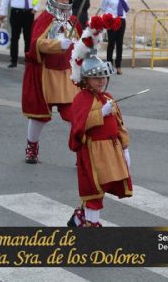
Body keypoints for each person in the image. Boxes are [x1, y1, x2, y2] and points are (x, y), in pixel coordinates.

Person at [21, 0, 96, 164]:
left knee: (76, 115)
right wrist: (57, 45)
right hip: (46, 75)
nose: (64, 1)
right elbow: (35, 45)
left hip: (67, 76)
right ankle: (31, 147)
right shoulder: (44, 19)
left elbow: (82, 45)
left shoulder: (73, 20)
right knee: (40, 117)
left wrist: (92, 40)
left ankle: (80, 152)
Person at [67, 14, 130, 227]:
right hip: (92, 151)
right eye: (96, 78)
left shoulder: (108, 98)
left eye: (103, 77)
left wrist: (126, 148)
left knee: (101, 189)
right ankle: (91, 225)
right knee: (93, 191)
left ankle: (80, 217)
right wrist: (99, 115)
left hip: (110, 151)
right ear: (85, 79)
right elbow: (78, 126)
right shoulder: (81, 99)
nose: (101, 82)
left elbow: (120, 125)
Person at [0, 0, 40, 68]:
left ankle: (27, 60)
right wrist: (2, 12)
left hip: (28, 14)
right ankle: (13, 60)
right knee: (15, 37)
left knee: (28, 37)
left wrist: (35, 8)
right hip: (16, 13)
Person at [100, 0, 129, 74]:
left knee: (120, 43)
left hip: (121, 19)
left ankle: (119, 65)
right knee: (111, 43)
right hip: (111, 20)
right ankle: (109, 64)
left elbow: (125, 7)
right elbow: (103, 8)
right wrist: (104, 21)